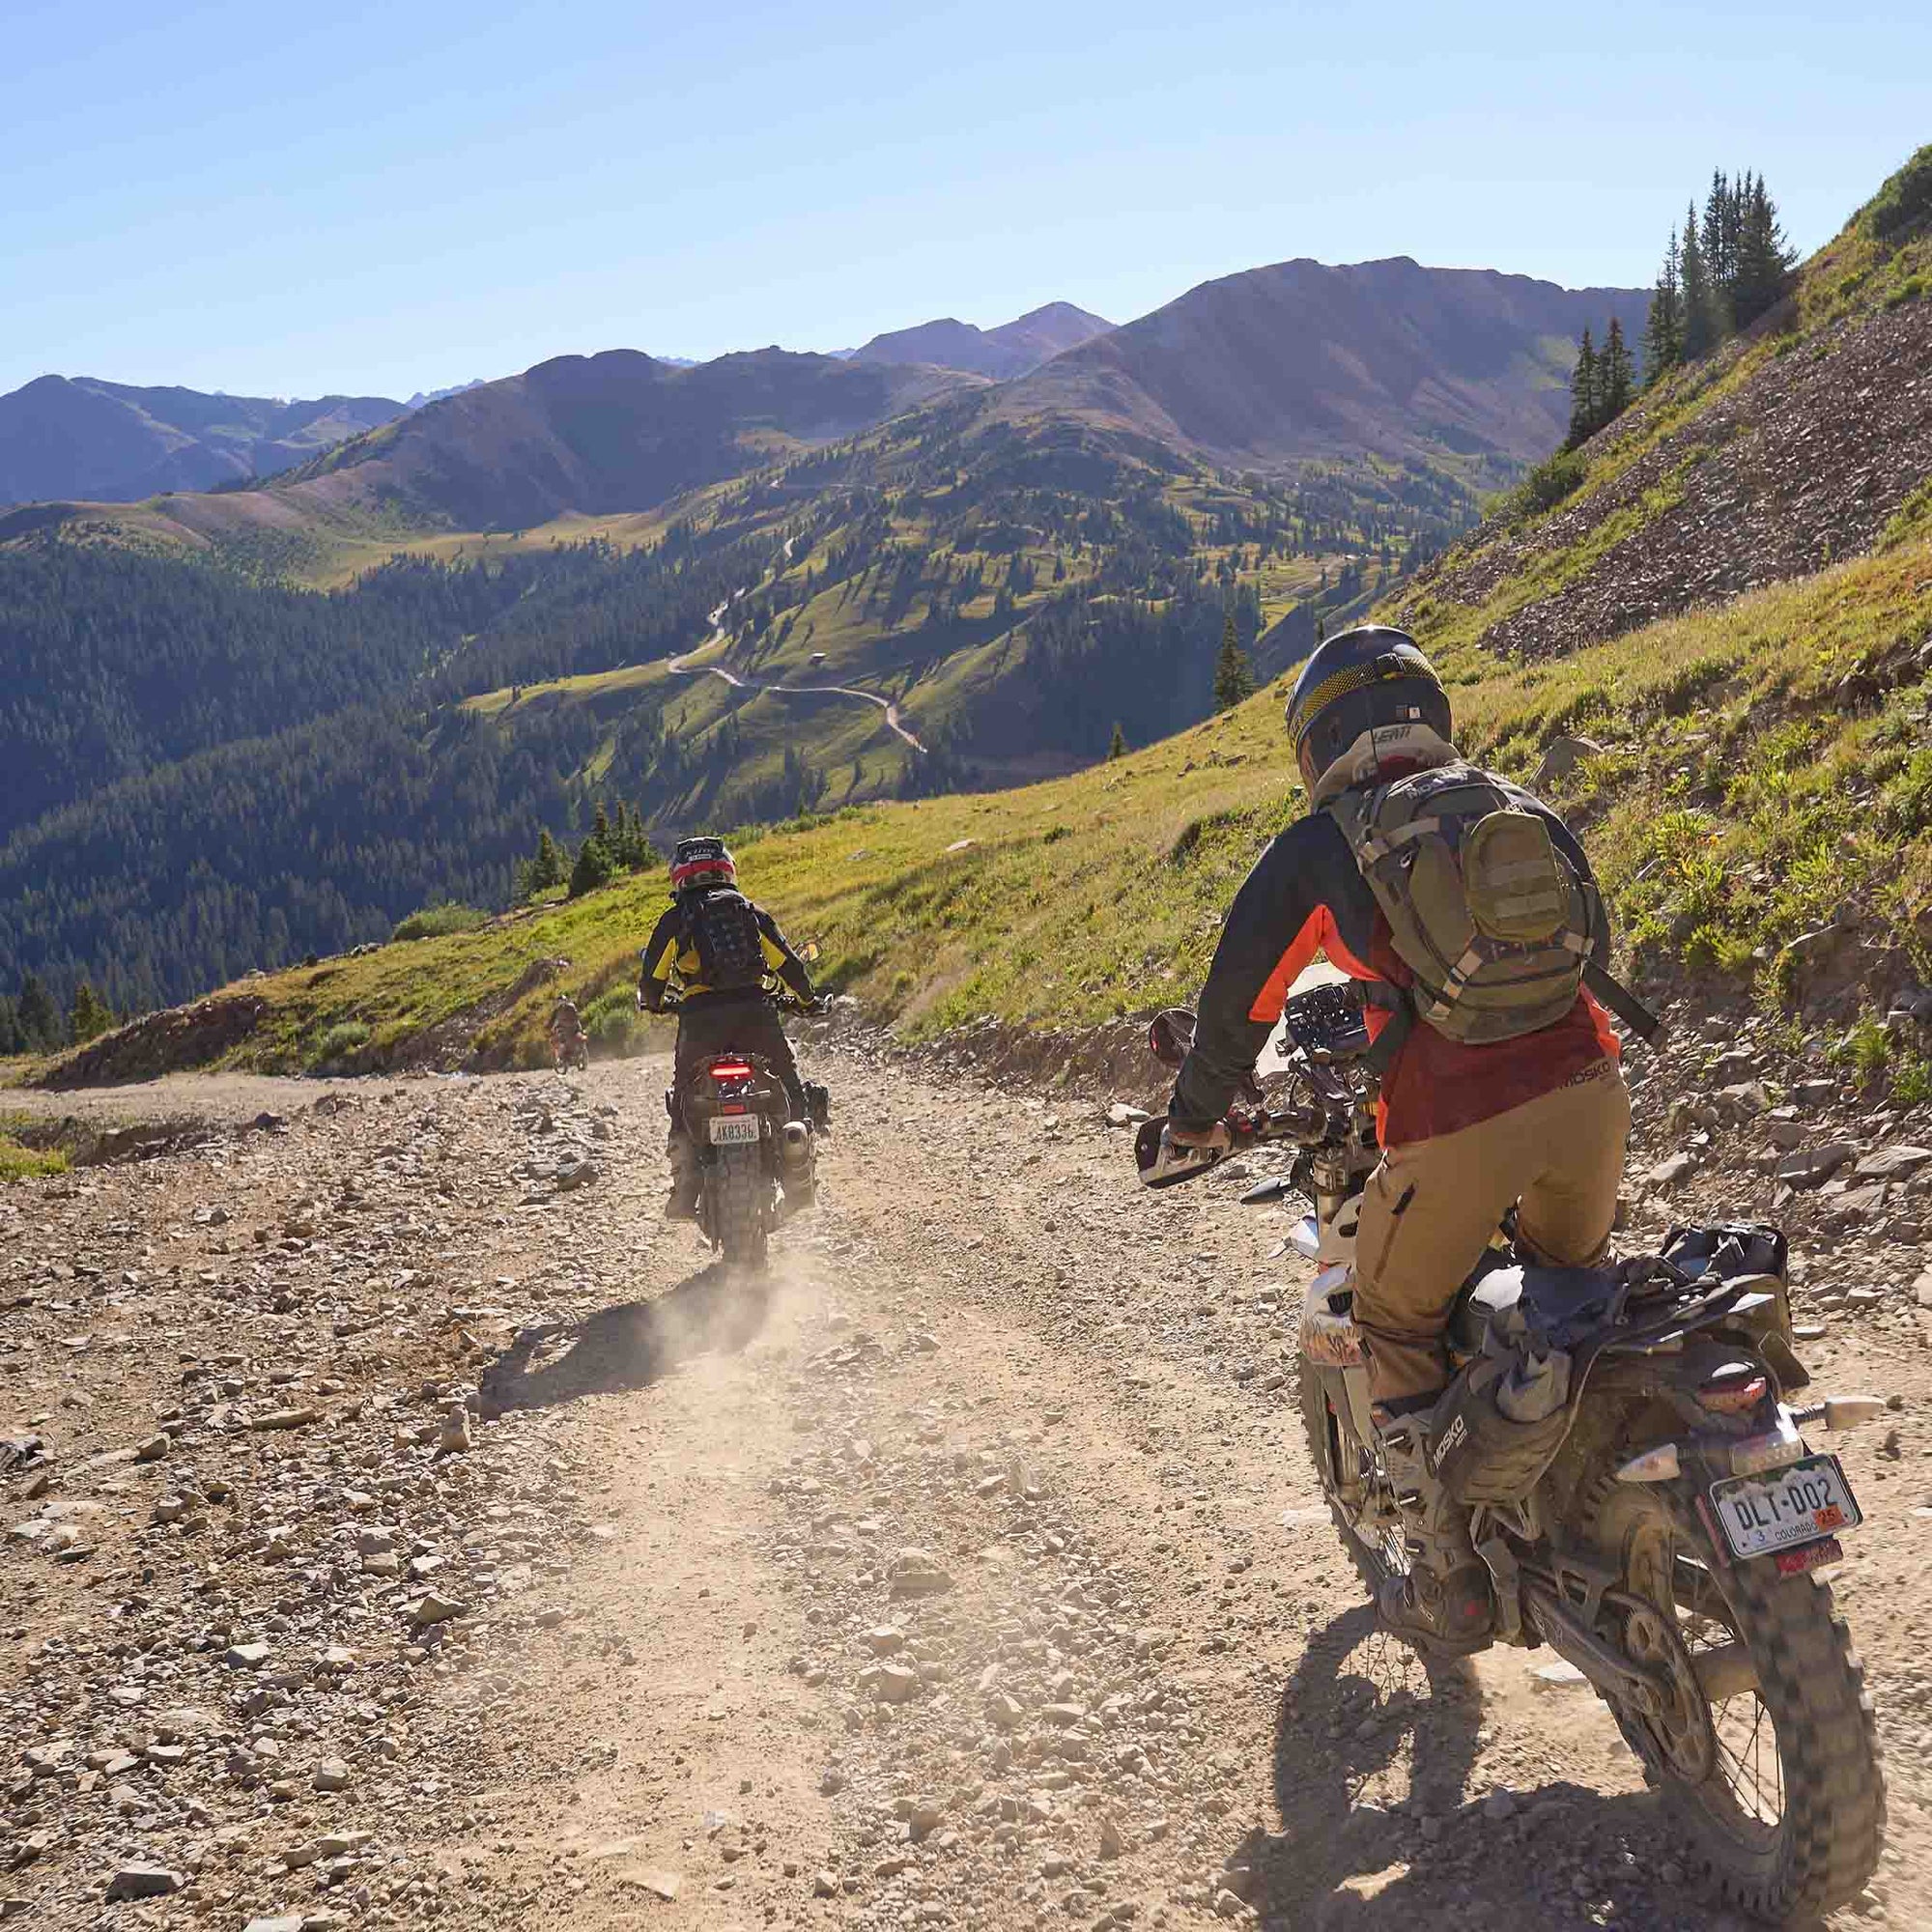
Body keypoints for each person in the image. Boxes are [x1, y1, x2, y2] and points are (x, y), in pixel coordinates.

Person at [1160, 625, 1631, 1653]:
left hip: (1456, 1127)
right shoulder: (1512, 804)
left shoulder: (1322, 845)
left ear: (1315, 740)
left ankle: (1446, 1572)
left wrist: (1193, 1116)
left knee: (1392, 1317)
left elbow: (1239, 1003)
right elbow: (1588, 943)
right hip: (1592, 1095)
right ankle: (1587, 1492)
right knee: (1567, 1294)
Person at [638, 836, 820, 1220]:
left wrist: (654, 1003)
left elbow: (652, 979)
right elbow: (789, 965)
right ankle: (799, 1176)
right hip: (755, 1013)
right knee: (787, 1082)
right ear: (727, 870)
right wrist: (807, 1000)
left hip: (701, 1020)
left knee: (685, 1093)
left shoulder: (676, 919)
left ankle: (685, 1189)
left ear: (679, 878)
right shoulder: (750, 912)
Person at [550, 994, 585, 1065]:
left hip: (571, 1027)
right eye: (559, 1001)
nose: (561, 1002)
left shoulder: (569, 1007)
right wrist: (553, 1027)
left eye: (561, 1001)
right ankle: (561, 1057)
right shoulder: (559, 1010)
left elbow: (576, 1017)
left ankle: (561, 1058)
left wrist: (554, 1027)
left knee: (558, 1040)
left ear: (565, 1001)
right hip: (566, 1028)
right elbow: (557, 1020)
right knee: (558, 1041)